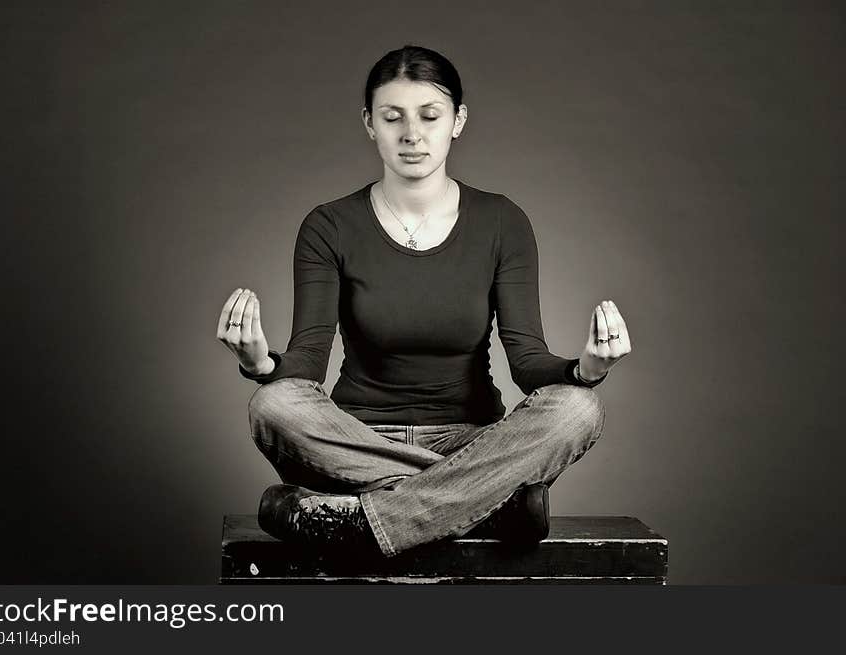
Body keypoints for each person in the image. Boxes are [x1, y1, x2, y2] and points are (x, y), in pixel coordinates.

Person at [216, 45, 632, 558]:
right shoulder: (329, 225)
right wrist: (259, 362)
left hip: (472, 441)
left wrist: (586, 369)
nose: (412, 134)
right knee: (272, 405)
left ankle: (364, 521)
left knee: (578, 409)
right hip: (353, 439)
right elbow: (306, 364)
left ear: (458, 121)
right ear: (370, 124)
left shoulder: (502, 221)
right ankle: (489, 506)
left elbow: (527, 362)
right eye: (393, 118)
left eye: (429, 116)